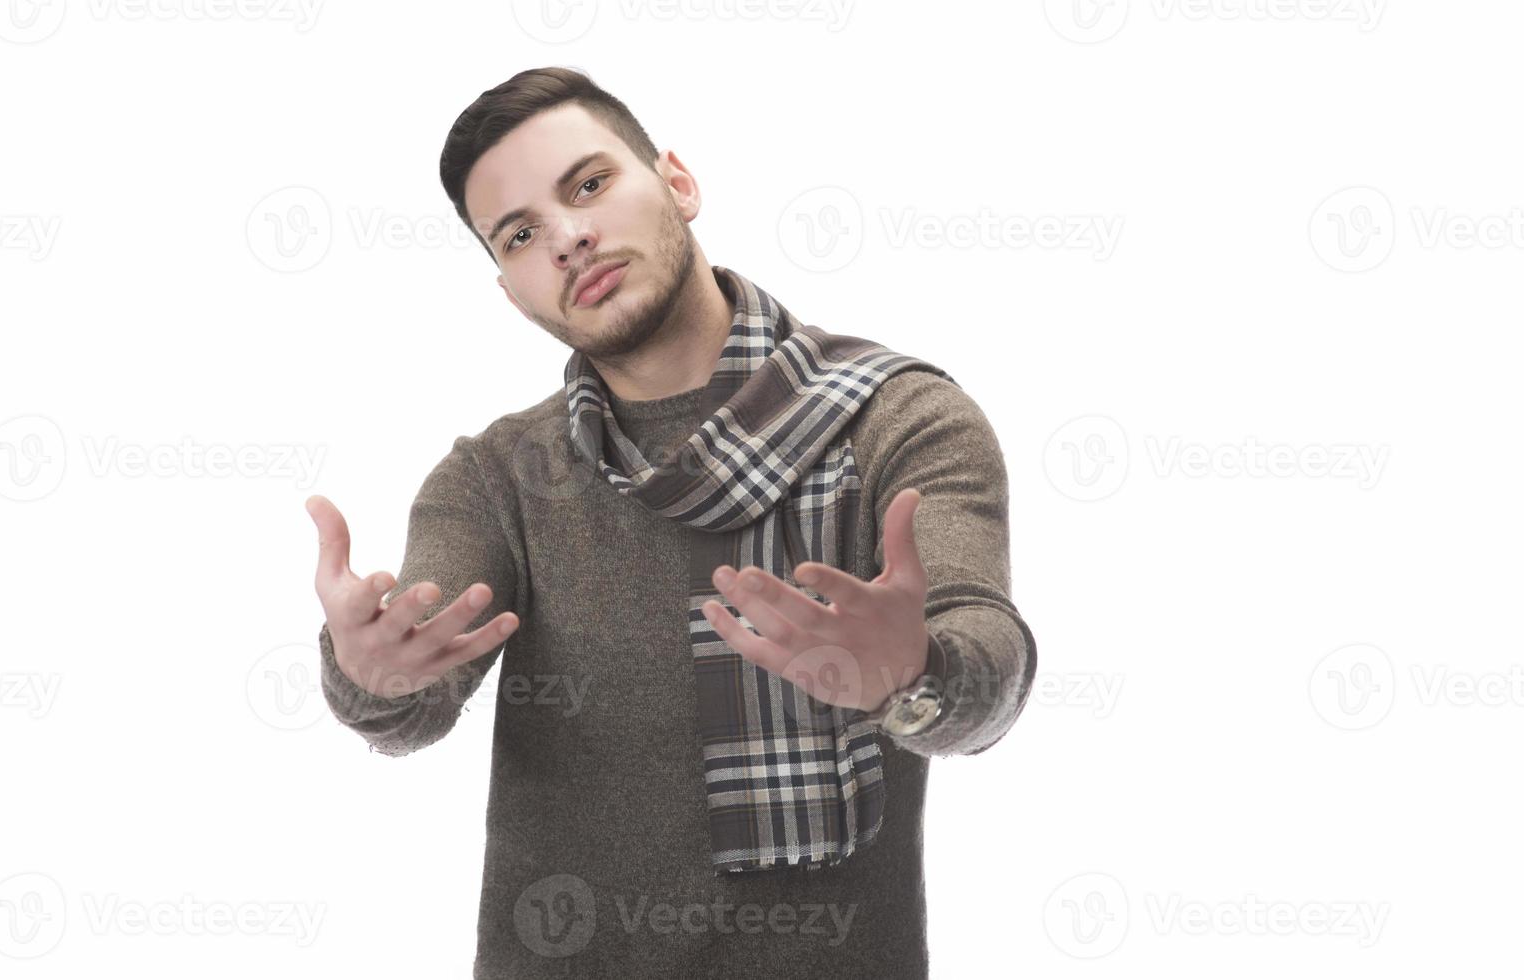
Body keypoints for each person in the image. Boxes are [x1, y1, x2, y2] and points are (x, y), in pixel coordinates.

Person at [305, 66, 1037, 979]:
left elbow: (985, 663)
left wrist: (913, 676)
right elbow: (413, 701)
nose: (568, 237)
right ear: (510, 290)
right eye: (521, 233)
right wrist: (370, 673)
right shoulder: (497, 477)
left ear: (678, 184)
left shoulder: (898, 419)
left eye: (589, 185)